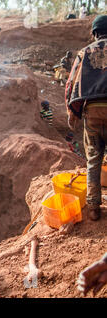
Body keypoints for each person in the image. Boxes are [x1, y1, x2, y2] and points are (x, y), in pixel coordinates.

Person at [66, 15, 107, 221]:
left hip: (92, 111)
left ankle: (93, 208)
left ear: (94, 33)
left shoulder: (85, 52)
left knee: (93, 159)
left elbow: (71, 84)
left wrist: (72, 113)